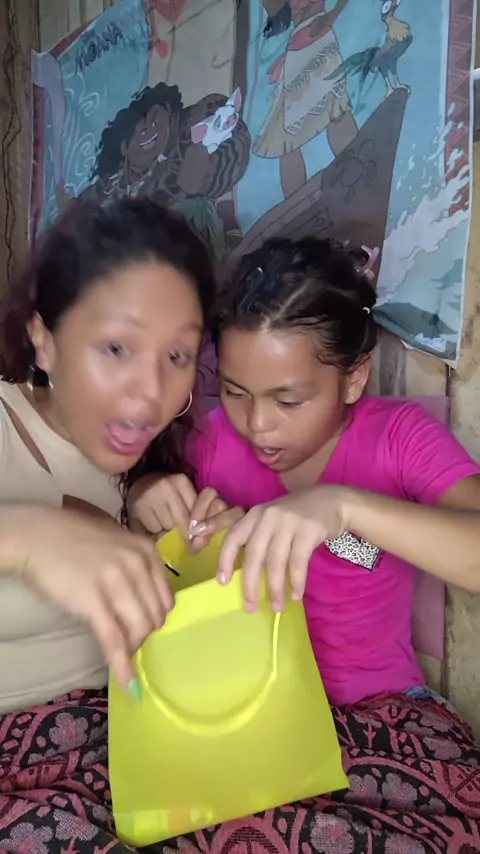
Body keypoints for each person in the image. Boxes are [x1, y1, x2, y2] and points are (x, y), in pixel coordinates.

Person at [131, 236, 480, 708]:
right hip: (247, 702)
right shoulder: (209, 442)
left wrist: (343, 506)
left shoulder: (399, 438)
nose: (257, 424)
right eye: (235, 393)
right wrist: (145, 501)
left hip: (377, 706)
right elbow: (151, 560)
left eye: (289, 401)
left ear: (354, 378)